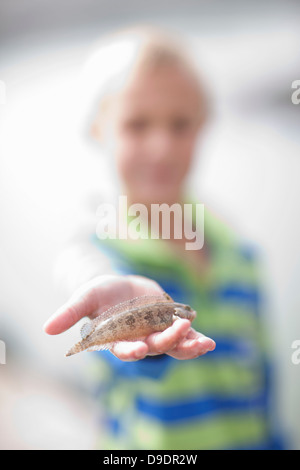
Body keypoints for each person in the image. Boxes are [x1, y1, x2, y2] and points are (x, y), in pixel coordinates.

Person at [43, 25, 285, 449]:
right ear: (100, 128)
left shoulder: (241, 257)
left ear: (202, 126)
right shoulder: (98, 253)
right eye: (137, 125)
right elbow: (86, 277)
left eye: (179, 125)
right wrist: (139, 336)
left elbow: (264, 390)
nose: (161, 147)